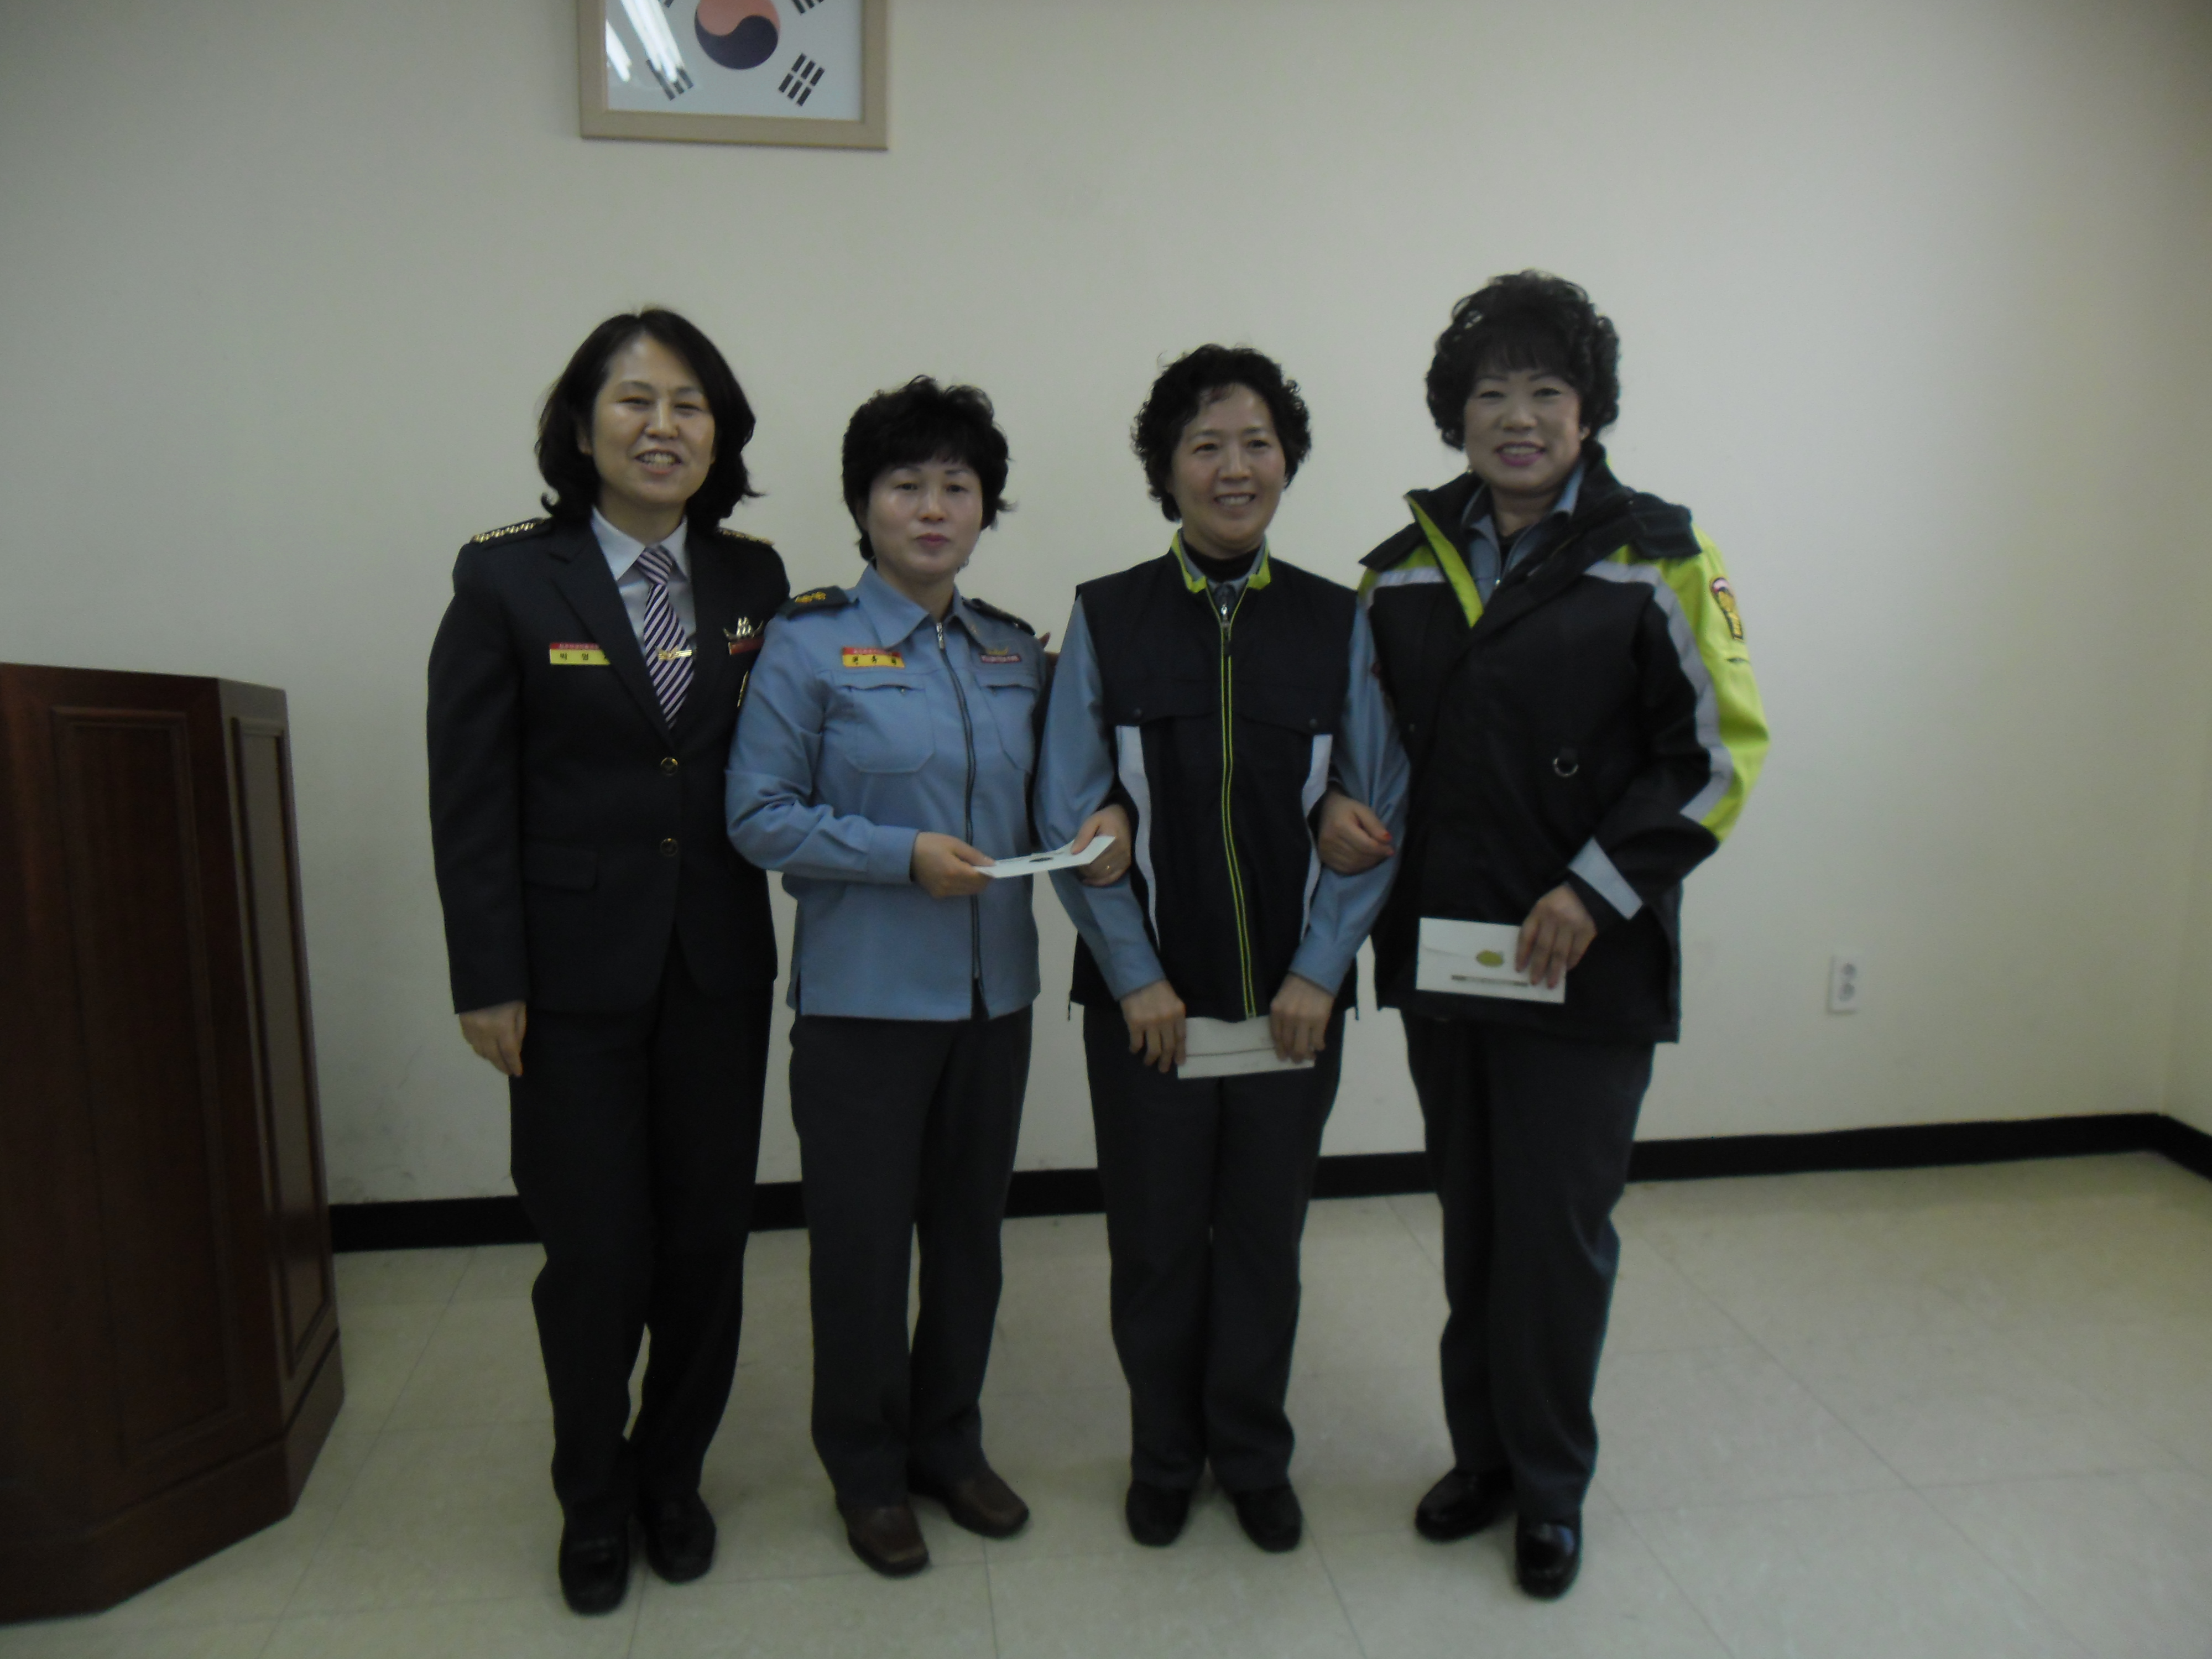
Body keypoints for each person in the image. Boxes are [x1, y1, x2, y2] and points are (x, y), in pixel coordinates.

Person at [1316, 272, 1770, 1599]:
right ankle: (1482, 1459)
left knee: (1557, 1237)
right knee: (1473, 1224)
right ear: (1454, 416)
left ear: (1588, 411)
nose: (1516, 418)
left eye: (1545, 391)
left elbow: (1718, 755)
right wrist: (1330, 807)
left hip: (1585, 962)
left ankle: (1550, 1487)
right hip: (1447, 959)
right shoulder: (1397, 571)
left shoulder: (1656, 553)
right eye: (1490, 394)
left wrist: (1592, 889)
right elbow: (1356, 748)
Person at [726, 378, 1129, 1577]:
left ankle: (949, 1444)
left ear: (985, 507)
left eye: (959, 485)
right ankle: (865, 1469)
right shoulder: (806, 646)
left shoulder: (1011, 650)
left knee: (968, 1243)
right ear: (863, 504)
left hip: (993, 1004)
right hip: (862, 1009)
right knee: (859, 1251)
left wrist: (1108, 814)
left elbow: (1068, 784)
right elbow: (756, 815)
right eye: (907, 484)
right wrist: (898, 856)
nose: (934, 507)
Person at [426, 310, 789, 1614]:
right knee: (593, 1255)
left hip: (715, 967)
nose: (662, 426)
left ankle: (671, 1480)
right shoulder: (507, 581)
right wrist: (486, 977)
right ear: (581, 430)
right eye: (635, 401)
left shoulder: (752, 577)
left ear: (718, 434)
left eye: (689, 404)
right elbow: (469, 795)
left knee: (704, 1246)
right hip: (567, 978)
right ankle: (591, 1497)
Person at [1035, 346, 1408, 1555]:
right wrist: (1136, 977)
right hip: (1148, 1011)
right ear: (1167, 469)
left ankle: (1250, 1455)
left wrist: (1319, 973)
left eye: (1256, 443)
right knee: (1153, 1247)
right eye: (1205, 445)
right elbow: (1069, 813)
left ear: (1287, 462)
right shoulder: (1108, 615)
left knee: (1261, 1244)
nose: (1233, 467)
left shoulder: (1335, 620)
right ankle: (1163, 1456)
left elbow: (1375, 811)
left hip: (1292, 1010)